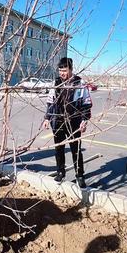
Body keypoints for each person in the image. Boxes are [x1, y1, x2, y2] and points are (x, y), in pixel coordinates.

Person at [43, 57, 92, 186]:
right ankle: (60, 172)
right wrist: (47, 118)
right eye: (60, 70)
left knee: (76, 149)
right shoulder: (56, 82)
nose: (62, 73)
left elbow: (86, 103)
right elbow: (50, 102)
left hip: (74, 121)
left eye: (64, 70)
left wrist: (84, 120)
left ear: (71, 69)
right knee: (59, 149)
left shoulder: (80, 83)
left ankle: (80, 175)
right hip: (58, 121)